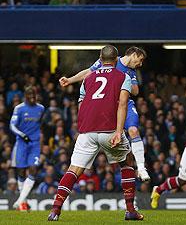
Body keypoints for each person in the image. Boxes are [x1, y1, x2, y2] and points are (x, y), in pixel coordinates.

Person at [48, 45, 144, 221]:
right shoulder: (123, 76)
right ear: (116, 60)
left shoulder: (89, 78)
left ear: (100, 58)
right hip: (109, 130)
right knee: (127, 161)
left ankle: (55, 210)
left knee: (74, 170)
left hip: (87, 131)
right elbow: (123, 104)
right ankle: (130, 210)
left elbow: (81, 104)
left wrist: (81, 127)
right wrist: (117, 131)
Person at [59, 46, 150, 181]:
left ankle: (141, 168)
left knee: (133, 130)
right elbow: (88, 73)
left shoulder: (130, 72)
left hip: (124, 102)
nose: (140, 64)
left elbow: (135, 91)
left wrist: (120, 78)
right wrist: (70, 80)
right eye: (140, 60)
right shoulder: (110, 60)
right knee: (121, 157)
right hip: (107, 103)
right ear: (134, 54)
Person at [10, 86, 45, 211]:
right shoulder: (19, 108)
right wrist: (22, 135)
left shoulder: (41, 108)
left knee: (33, 169)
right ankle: (23, 203)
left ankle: (19, 201)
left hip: (34, 144)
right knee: (20, 172)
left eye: (33, 95)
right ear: (25, 96)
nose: (32, 98)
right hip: (21, 143)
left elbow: (40, 123)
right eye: (29, 96)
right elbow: (12, 125)